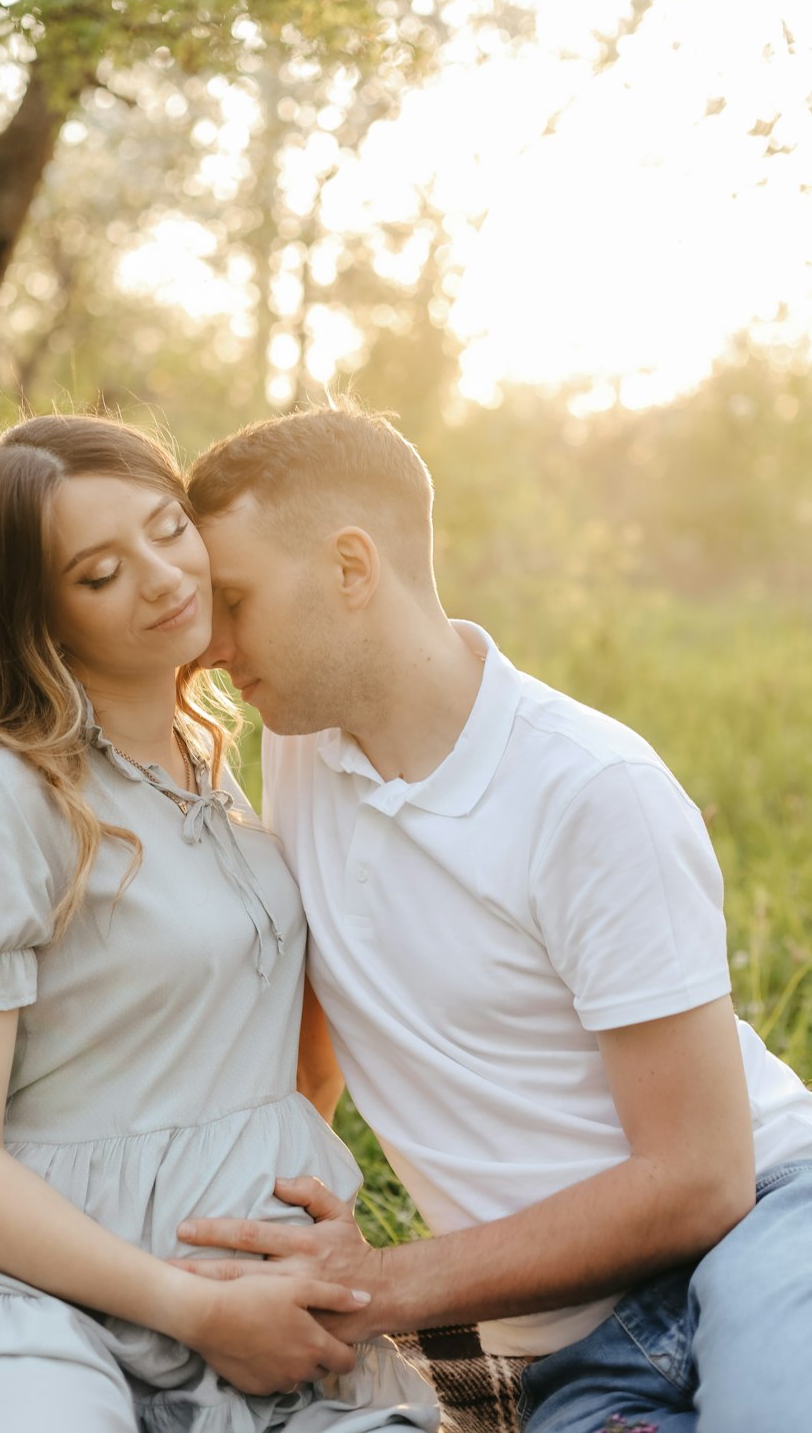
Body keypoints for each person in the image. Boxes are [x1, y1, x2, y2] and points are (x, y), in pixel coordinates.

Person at [177, 403, 812, 1433]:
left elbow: (702, 1182)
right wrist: (271, 1218)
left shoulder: (589, 789)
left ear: (351, 569)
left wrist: (374, 1285)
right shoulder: (299, 747)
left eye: (234, 600)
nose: (209, 646)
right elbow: (318, 1023)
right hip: (574, 1347)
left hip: (763, 1230)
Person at [0, 415, 438, 1433]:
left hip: (238, 1279)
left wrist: (277, 1227)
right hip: (28, 1290)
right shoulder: (1, 795)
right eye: (100, 572)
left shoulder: (222, 764)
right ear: (41, 613)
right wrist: (194, 1308)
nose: (162, 578)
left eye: (168, 529)